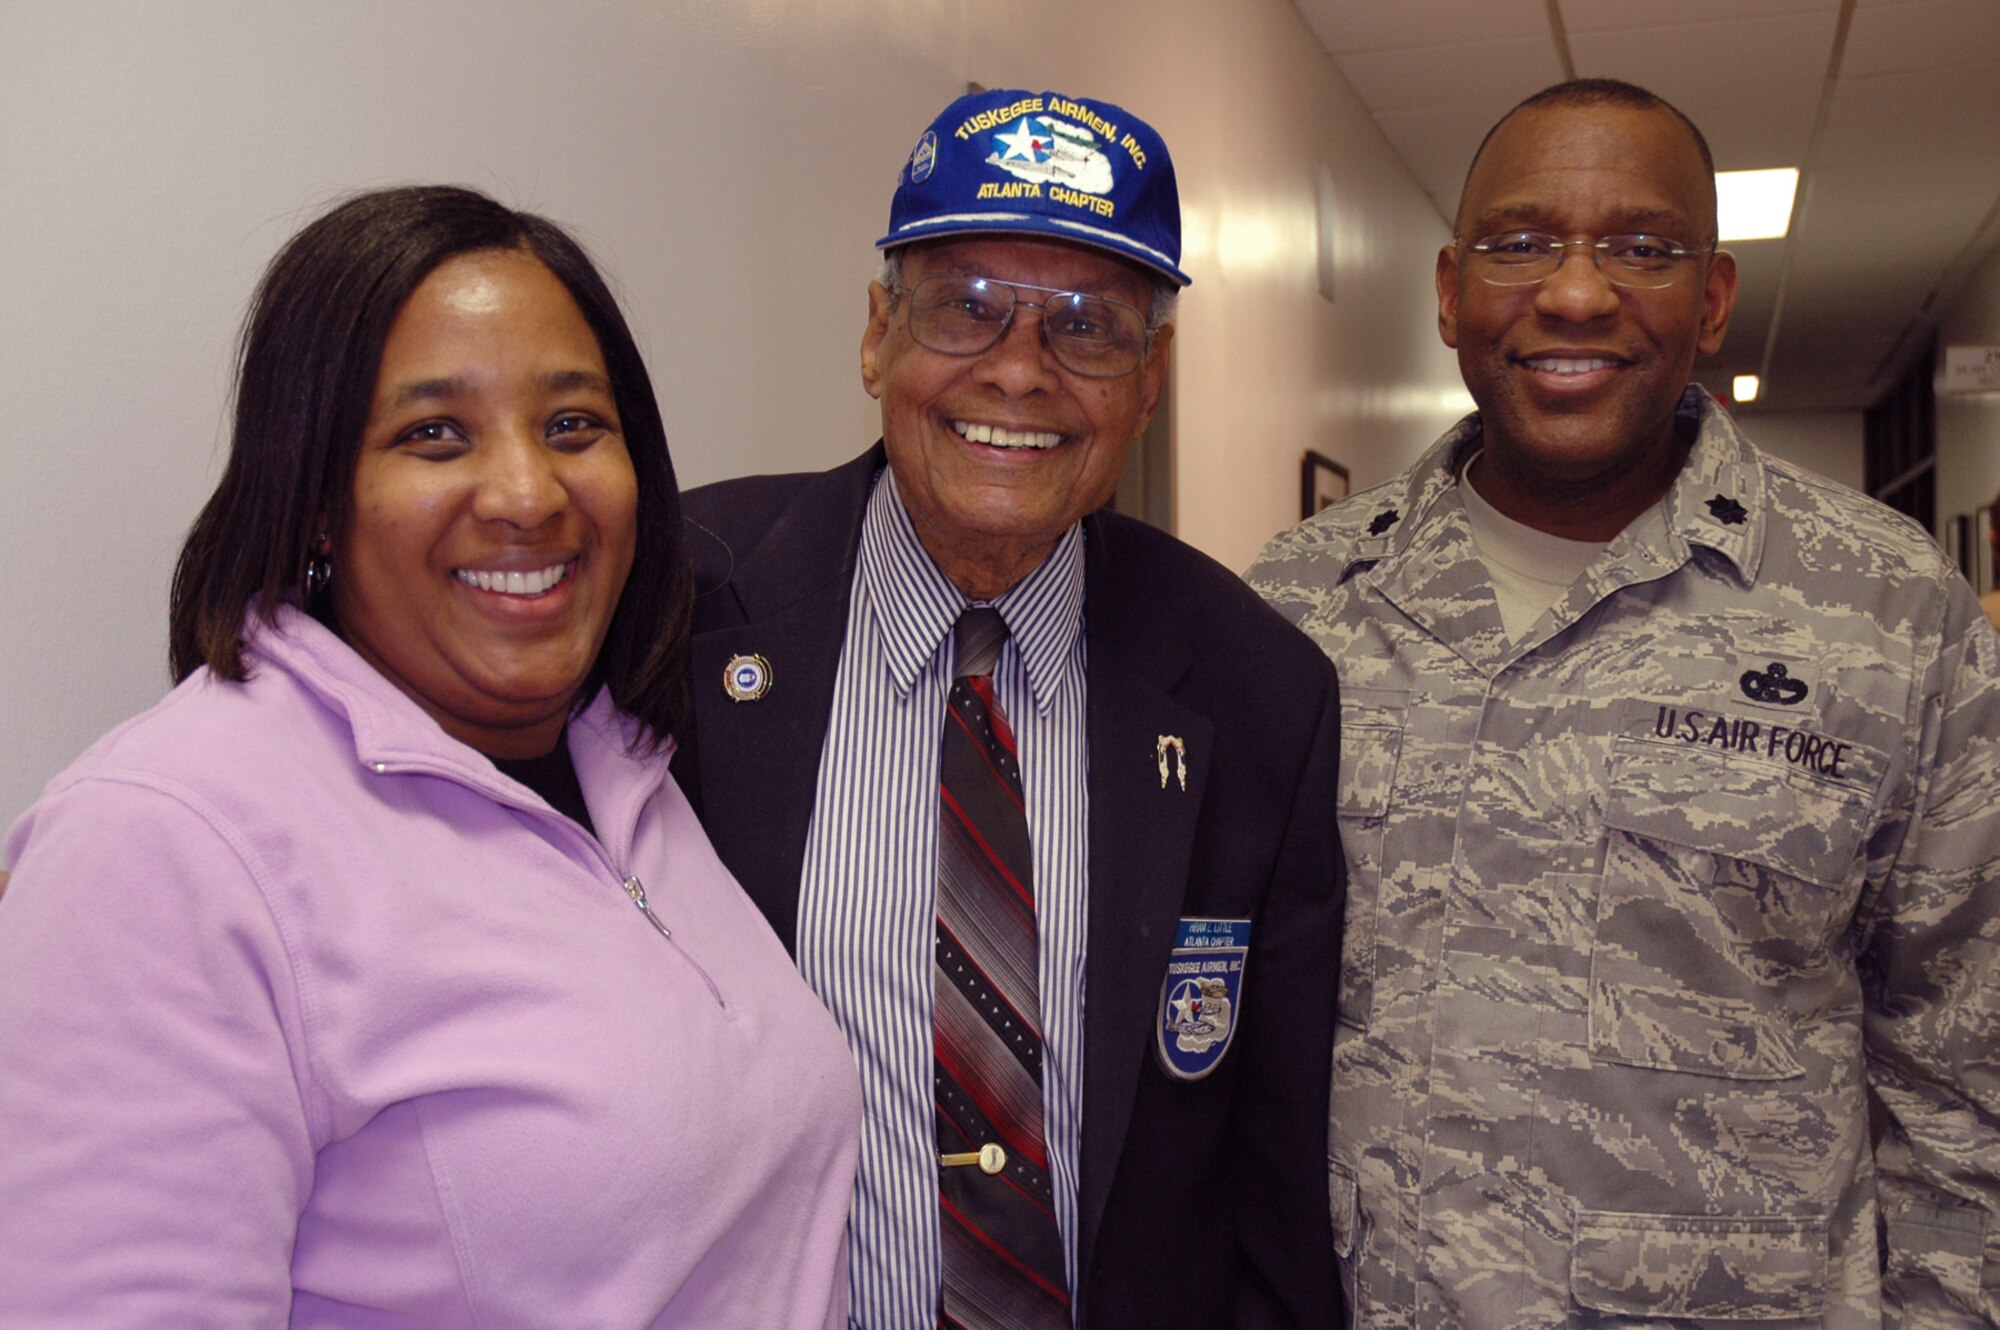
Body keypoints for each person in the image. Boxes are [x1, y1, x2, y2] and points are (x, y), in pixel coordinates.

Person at [0, 186, 861, 1328]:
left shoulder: (624, 765)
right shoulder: (163, 843)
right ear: (315, 497)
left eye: (573, 425)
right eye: (434, 435)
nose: (528, 494)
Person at [1249, 78, 2000, 1325]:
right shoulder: (1295, 606)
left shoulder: (1888, 613)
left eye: (1641, 249)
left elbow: (1962, 1079)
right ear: (1449, 291)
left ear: (1711, 300)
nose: (1575, 292)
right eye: (1518, 242)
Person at [671, 88, 1344, 1329]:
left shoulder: (1256, 689)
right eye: (964, 307)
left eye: (1087, 327)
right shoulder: (678, 604)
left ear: (1149, 381)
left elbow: (1271, 1179)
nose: (1020, 370)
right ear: (876, 335)